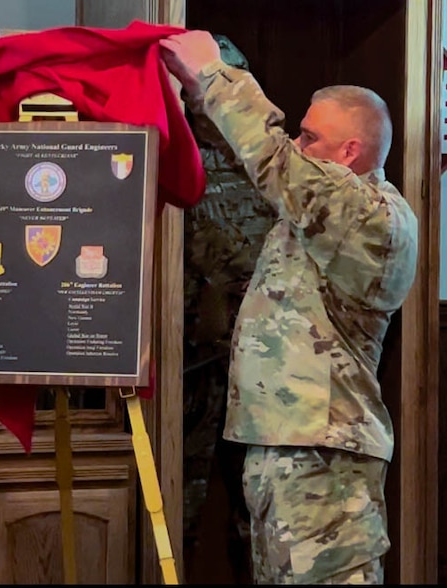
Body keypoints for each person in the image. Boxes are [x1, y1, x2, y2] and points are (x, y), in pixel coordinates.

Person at [161, 30, 419, 584]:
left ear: (350, 150)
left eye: (310, 136)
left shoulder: (368, 214)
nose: (298, 145)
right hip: (287, 453)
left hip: (325, 464)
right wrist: (195, 95)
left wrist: (214, 73)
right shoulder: (318, 211)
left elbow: (273, 159)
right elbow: (252, 166)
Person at [180, 34, 273, 584]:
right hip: (188, 359)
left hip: (257, 366)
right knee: (177, 497)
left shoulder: (268, 160)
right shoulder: (171, 150)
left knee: (259, 508)